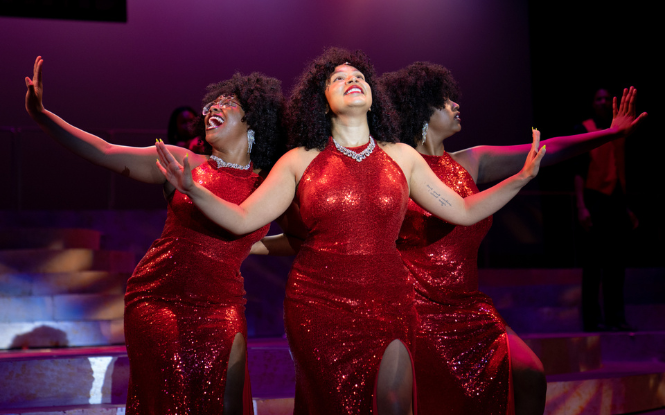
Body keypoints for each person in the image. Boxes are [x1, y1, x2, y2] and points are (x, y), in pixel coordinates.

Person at [155, 47, 545, 415]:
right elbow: (242, 219)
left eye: (358, 76)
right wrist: (194, 191)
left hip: (390, 300)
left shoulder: (402, 156)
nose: (351, 80)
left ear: (373, 99)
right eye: (338, 79)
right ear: (322, 100)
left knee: (394, 403)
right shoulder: (298, 161)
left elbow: (461, 210)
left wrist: (522, 178)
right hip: (318, 304)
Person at [378, 62, 646, 415]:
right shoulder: (395, 170)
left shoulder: (472, 161)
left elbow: (549, 149)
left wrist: (609, 134)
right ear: (420, 111)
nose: (456, 105)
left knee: (530, 372)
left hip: (467, 306)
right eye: (446, 101)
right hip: (415, 308)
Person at [24, 56, 285, 415]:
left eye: (227, 104)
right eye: (211, 104)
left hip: (223, 306)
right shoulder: (183, 162)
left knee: (226, 404)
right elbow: (105, 151)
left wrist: (248, 247)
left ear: (254, 120)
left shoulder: (271, 182)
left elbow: (303, 236)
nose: (213, 109)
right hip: (158, 300)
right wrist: (42, 116)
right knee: (170, 403)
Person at [574, 88, 639, 332]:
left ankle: (616, 317)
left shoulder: (619, 130)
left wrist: (626, 207)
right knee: (592, 264)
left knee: (616, 264)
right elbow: (579, 171)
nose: (602, 102)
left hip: (615, 201)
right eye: (598, 98)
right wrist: (581, 206)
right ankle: (592, 320)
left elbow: (619, 168)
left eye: (605, 98)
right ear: (592, 104)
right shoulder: (585, 128)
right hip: (594, 199)